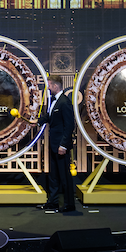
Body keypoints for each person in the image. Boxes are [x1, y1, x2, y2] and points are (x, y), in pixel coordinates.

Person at [38, 78, 79, 215]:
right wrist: (37, 122)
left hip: (61, 146)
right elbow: (49, 117)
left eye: (49, 85)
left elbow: (69, 126)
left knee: (64, 176)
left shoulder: (64, 102)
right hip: (53, 144)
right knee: (53, 176)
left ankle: (69, 204)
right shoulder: (55, 101)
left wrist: (63, 145)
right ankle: (53, 202)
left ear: (56, 85)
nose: (48, 88)